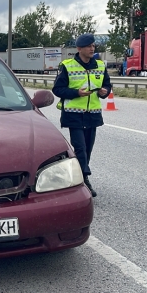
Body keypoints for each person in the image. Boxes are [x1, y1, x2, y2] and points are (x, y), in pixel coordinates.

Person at [52, 33, 112, 198]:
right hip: (74, 115)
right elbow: (57, 89)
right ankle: (85, 180)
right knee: (80, 148)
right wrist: (76, 93)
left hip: (92, 115)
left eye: (93, 46)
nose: (92, 49)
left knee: (88, 149)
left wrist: (104, 92)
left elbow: (107, 84)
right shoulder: (67, 65)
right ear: (79, 49)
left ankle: (81, 176)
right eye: (88, 46)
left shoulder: (99, 65)